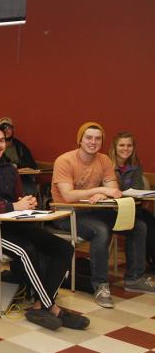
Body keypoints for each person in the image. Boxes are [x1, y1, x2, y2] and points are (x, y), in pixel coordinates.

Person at [0, 124, 86, 330]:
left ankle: (39, 303)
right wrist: (12, 206)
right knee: (25, 250)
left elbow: (17, 200)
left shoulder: (10, 169)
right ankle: (51, 307)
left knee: (64, 248)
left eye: (1, 141)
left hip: (14, 224)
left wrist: (27, 203)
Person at [51, 122, 154, 307]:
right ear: (79, 140)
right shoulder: (64, 160)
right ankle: (101, 285)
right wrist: (97, 190)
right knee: (101, 230)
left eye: (98, 138)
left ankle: (134, 278)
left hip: (95, 211)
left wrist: (104, 192)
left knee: (138, 225)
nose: (93, 142)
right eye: (89, 138)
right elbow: (67, 196)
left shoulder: (104, 160)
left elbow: (113, 189)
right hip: (67, 215)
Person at [110, 131, 155, 272]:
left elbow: (137, 188)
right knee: (143, 225)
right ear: (115, 147)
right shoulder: (106, 164)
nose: (126, 148)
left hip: (132, 207)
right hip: (112, 210)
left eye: (129, 145)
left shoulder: (136, 165)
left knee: (151, 222)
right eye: (122, 145)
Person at [0, 116, 38, 196]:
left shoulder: (20, 146)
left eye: (8, 127)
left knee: (29, 190)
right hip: (1, 179)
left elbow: (32, 165)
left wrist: (26, 169)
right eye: (3, 127)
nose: (6, 130)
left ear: (13, 130)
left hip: (21, 179)